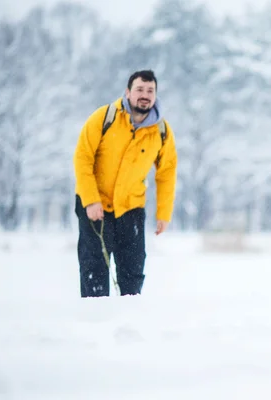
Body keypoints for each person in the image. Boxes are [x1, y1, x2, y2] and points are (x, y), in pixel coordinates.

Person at [73, 70, 177, 297]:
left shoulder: (161, 131)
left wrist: (164, 213)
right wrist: (90, 200)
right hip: (95, 207)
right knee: (95, 272)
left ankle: (129, 324)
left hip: (131, 209)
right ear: (128, 92)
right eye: (139, 89)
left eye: (150, 90)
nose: (145, 95)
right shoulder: (105, 117)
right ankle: (94, 324)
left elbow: (167, 172)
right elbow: (83, 157)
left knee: (133, 275)